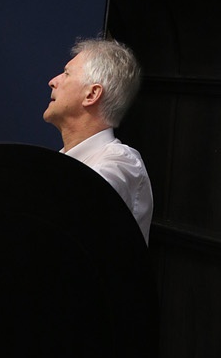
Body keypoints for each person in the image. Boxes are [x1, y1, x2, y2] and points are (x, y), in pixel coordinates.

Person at [45, 37, 154, 245]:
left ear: (92, 94)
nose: (53, 81)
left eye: (66, 73)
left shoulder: (122, 163)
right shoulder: (62, 162)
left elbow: (74, 211)